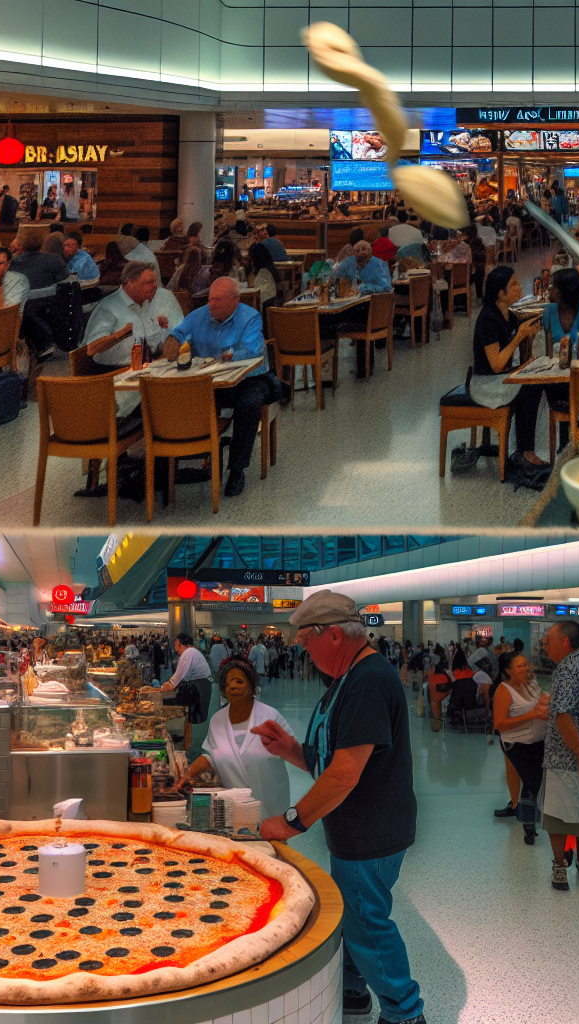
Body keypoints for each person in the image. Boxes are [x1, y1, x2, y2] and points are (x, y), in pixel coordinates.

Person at [254, 592, 425, 1024]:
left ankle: (405, 1013)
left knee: (368, 924)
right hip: (359, 828)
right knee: (355, 914)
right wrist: (290, 748)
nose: (302, 650)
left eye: (305, 641)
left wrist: (292, 821)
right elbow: (333, 757)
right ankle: (352, 988)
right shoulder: (349, 677)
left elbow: (345, 773)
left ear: (332, 634)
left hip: (371, 832)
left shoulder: (367, 681)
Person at [166, 277, 284, 497]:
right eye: (211, 299)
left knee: (249, 404)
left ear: (235, 300)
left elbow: (253, 352)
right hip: (211, 382)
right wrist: (172, 343)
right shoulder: (198, 315)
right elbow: (177, 335)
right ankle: (175, 463)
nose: (212, 304)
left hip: (250, 379)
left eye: (218, 300)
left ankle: (237, 469)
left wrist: (219, 358)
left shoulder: (250, 317)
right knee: (175, 396)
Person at [177, 656, 294, 818]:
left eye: (239, 682)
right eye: (228, 683)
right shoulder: (218, 720)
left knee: (272, 840)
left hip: (270, 803)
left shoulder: (270, 716)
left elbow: (291, 748)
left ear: (251, 686)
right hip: (236, 808)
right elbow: (211, 756)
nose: (233, 687)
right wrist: (185, 776)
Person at [470, 266, 557, 468]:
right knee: (530, 387)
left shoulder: (507, 314)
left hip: (500, 376)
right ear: (501, 293)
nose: (519, 288)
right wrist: (519, 335)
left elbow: (515, 356)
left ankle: (528, 449)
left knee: (537, 380)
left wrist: (528, 335)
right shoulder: (489, 319)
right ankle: (524, 452)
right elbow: (496, 364)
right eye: (514, 284)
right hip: (485, 383)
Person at [540, 620, 579, 890]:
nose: (545, 645)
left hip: (568, 757)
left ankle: (560, 866)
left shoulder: (566, 668)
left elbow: (562, 715)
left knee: (559, 813)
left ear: (565, 642)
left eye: (548, 640)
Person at [492, 649, 550, 845]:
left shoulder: (531, 684)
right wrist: (531, 715)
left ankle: (525, 815)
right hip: (517, 745)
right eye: (520, 665)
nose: (526, 667)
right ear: (508, 670)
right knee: (532, 782)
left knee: (534, 782)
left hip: (537, 742)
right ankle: (528, 826)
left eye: (526, 664)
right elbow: (499, 724)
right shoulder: (503, 690)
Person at [82, 262, 183, 368]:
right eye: (149, 283)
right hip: (112, 371)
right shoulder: (108, 307)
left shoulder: (143, 304)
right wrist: (124, 331)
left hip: (142, 365)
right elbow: (91, 349)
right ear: (130, 283)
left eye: (155, 282)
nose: (155, 286)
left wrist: (159, 327)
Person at [541, 268, 579, 356]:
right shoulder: (549, 311)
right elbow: (544, 347)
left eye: (553, 287)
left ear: (564, 292)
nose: (549, 290)